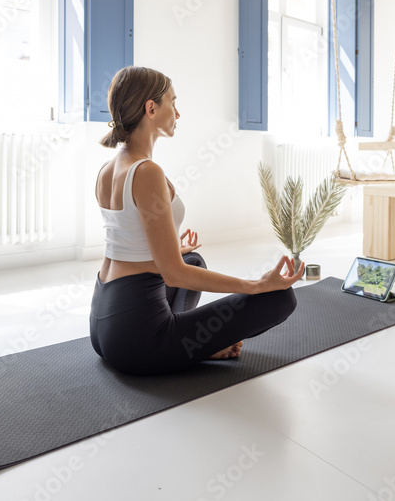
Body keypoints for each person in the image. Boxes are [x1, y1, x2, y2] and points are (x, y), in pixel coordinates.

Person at [89, 66, 301, 375]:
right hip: (137, 340)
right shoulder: (147, 172)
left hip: (104, 324)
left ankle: (189, 342)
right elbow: (174, 275)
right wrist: (255, 285)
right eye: (172, 103)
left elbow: (128, 241)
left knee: (194, 259)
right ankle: (194, 347)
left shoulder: (108, 169)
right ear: (151, 108)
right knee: (280, 299)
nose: (178, 112)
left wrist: (172, 245)